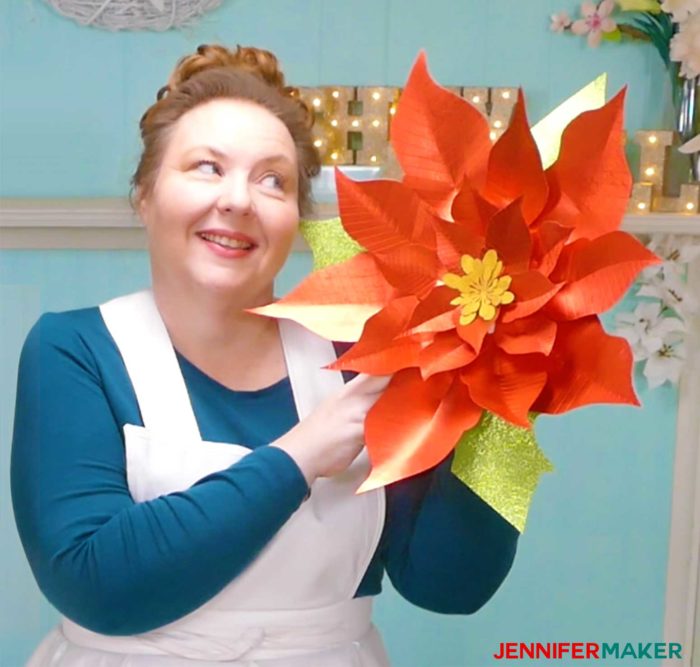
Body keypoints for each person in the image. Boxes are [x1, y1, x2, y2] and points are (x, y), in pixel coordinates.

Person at [11, 44, 519, 667]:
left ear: (296, 221)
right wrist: (303, 455)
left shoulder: (370, 354)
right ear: (144, 196)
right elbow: (98, 585)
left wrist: (503, 405)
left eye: (272, 179)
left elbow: (451, 587)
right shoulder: (74, 350)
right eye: (205, 167)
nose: (238, 200)